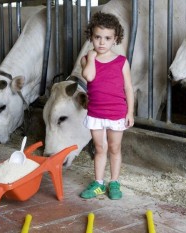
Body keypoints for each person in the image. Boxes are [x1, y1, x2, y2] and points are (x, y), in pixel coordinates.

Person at [80, 11, 134, 200]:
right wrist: (91, 57)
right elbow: (89, 76)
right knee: (99, 148)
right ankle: (99, 183)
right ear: (91, 37)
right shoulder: (87, 60)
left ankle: (114, 182)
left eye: (107, 38)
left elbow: (128, 87)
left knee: (114, 148)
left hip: (117, 113)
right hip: (96, 113)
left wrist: (130, 112)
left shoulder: (121, 62)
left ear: (115, 39)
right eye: (97, 37)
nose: (102, 43)